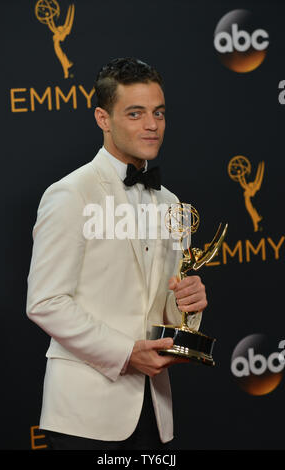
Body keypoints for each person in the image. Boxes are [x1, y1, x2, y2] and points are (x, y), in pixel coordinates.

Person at [26, 57, 207, 450]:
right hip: (85, 416)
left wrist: (189, 306)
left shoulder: (173, 204)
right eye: (136, 113)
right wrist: (126, 354)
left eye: (158, 113)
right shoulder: (71, 193)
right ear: (103, 119)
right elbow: (45, 301)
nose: (152, 125)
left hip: (155, 414)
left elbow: (169, 315)